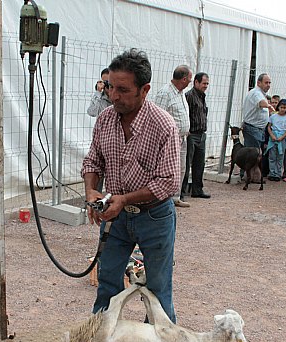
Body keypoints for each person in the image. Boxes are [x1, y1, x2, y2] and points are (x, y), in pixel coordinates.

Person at [81, 48, 180, 322]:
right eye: (111, 87)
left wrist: (124, 199)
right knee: (108, 282)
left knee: (158, 289)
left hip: (155, 217)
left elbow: (168, 181)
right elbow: (93, 162)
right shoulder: (105, 119)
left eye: (123, 89)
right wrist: (91, 190)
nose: (113, 96)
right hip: (116, 219)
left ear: (144, 89)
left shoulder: (163, 125)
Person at [154, 65, 193, 208]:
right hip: (171, 139)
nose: (190, 81)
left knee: (181, 168)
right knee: (169, 168)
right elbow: (157, 117)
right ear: (183, 79)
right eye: (189, 78)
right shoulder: (165, 93)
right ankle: (165, 199)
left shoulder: (181, 92)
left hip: (182, 137)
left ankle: (175, 197)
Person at [184, 72, 211, 198]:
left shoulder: (202, 96)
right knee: (187, 163)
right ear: (196, 82)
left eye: (207, 83)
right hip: (192, 134)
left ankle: (197, 190)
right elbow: (185, 114)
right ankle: (181, 192)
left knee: (199, 164)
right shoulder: (189, 96)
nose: (206, 86)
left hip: (201, 134)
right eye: (204, 83)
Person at [241, 73, 275, 149]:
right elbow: (261, 102)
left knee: (257, 155)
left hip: (257, 130)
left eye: (269, 83)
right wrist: (269, 106)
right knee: (253, 154)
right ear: (259, 83)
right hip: (253, 130)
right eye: (266, 83)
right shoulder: (256, 93)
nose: (268, 85)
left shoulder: (261, 93)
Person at [266, 99, 286, 181]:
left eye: (284, 107)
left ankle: (278, 174)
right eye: (281, 107)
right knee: (272, 156)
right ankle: (272, 173)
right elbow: (269, 127)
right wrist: (272, 135)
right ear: (278, 107)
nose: (283, 109)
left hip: (282, 138)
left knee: (280, 157)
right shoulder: (273, 116)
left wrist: (282, 137)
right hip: (273, 137)